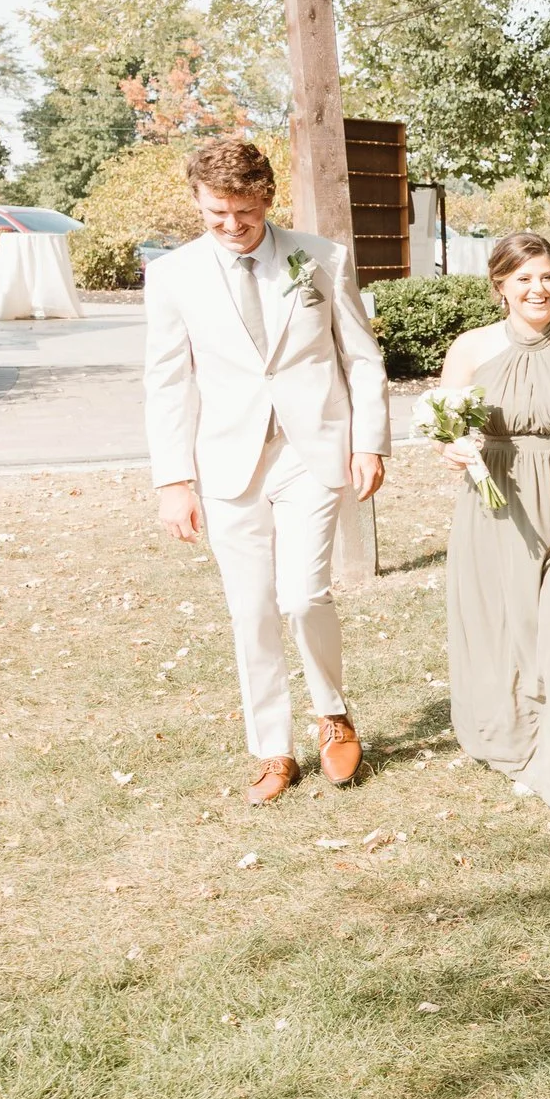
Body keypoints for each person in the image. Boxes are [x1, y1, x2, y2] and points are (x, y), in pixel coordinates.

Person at [143, 137, 388, 805]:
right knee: (250, 608)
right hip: (227, 463)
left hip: (313, 453)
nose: (231, 226)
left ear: (266, 199)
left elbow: (361, 358)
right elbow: (167, 383)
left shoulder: (320, 258)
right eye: (217, 213)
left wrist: (371, 443)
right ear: (197, 201)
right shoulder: (172, 277)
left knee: (303, 594)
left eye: (244, 213)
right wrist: (173, 480)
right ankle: (272, 747)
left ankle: (332, 710)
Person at [434, 233, 550, 828]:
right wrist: (454, 449)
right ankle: (525, 747)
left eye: (546, 276)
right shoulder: (470, 349)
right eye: (523, 279)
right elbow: (445, 428)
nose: (537, 289)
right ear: (500, 287)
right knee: (511, 633)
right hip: (498, 504)